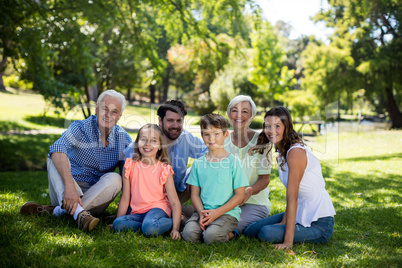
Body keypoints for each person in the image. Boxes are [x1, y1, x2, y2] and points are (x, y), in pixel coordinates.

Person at [20, 90, 132, 232]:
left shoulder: (124, 139)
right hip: (65, 189)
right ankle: (79, 213)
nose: (108, 115)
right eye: (105, 108)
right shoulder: (80, 127)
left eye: (114, 111)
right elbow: (58, 147)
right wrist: (70, 188)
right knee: (54, 154)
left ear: (120, 116)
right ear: (97, 108)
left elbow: (130, 176)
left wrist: (129, 212)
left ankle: (58, 211)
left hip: (95, 196)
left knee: (116, 178)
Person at [244, 106, 336, 249]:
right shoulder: (282, 153)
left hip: (319, 223)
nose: (271, 130)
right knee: (251, 230)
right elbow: (296, 197)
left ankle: (291, 234)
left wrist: (287, 242)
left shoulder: (295, 152)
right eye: (267, 126)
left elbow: (292, 198)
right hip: (300, 213)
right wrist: (283, 222)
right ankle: (287, 225)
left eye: (277, 126)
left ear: (286, 127)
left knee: (266, 233)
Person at [124, 100, 207, 215]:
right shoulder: (145, 144)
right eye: (170, 120)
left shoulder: (186, 137)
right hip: (147, 196)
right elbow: (127, 174)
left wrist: (195, 173)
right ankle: (178, 214)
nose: (175, 126)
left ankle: (209, 209)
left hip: (177, 192)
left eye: (179, 121)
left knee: (207, 168)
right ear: (160, 120)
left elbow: (209, 153)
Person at [181, 114, 248, 244]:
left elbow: (240, 195)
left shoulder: (234, 162)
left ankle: (231, 234)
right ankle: (197, 225)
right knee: (189, 236)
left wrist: (217, 213)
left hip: (226, 213)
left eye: (216, 134)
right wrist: (201, 213)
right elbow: (194, 195)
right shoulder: (198, 164)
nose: (211, 138)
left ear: (225, 135)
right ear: (202, 136)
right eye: (206, 134)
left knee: (211, 237)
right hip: (203, 211)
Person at [112, 124, 181, 240]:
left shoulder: (164, 169)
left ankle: (176, 222)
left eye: (153, 141)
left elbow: (174, 202)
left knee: (149, 228)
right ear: (137, 142)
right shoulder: (129, 165)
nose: (147, 144)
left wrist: (176, 229)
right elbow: (125, 197)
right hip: (137, 212)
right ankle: (148, 226)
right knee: (118, 224)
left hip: (158, 208)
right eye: (143, 139)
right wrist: (117, 220)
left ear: (160, 146)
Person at [224, 95, 272, 236]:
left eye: (245, 111)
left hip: (254, 203)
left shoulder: (262, 141)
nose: (239, 115)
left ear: (252, 116)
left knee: (227, 224)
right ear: (228, 114)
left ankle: (231, 233)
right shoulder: (223, 139)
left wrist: (248, 191)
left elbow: (265, 179)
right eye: (234, 110)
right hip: (227, 202)